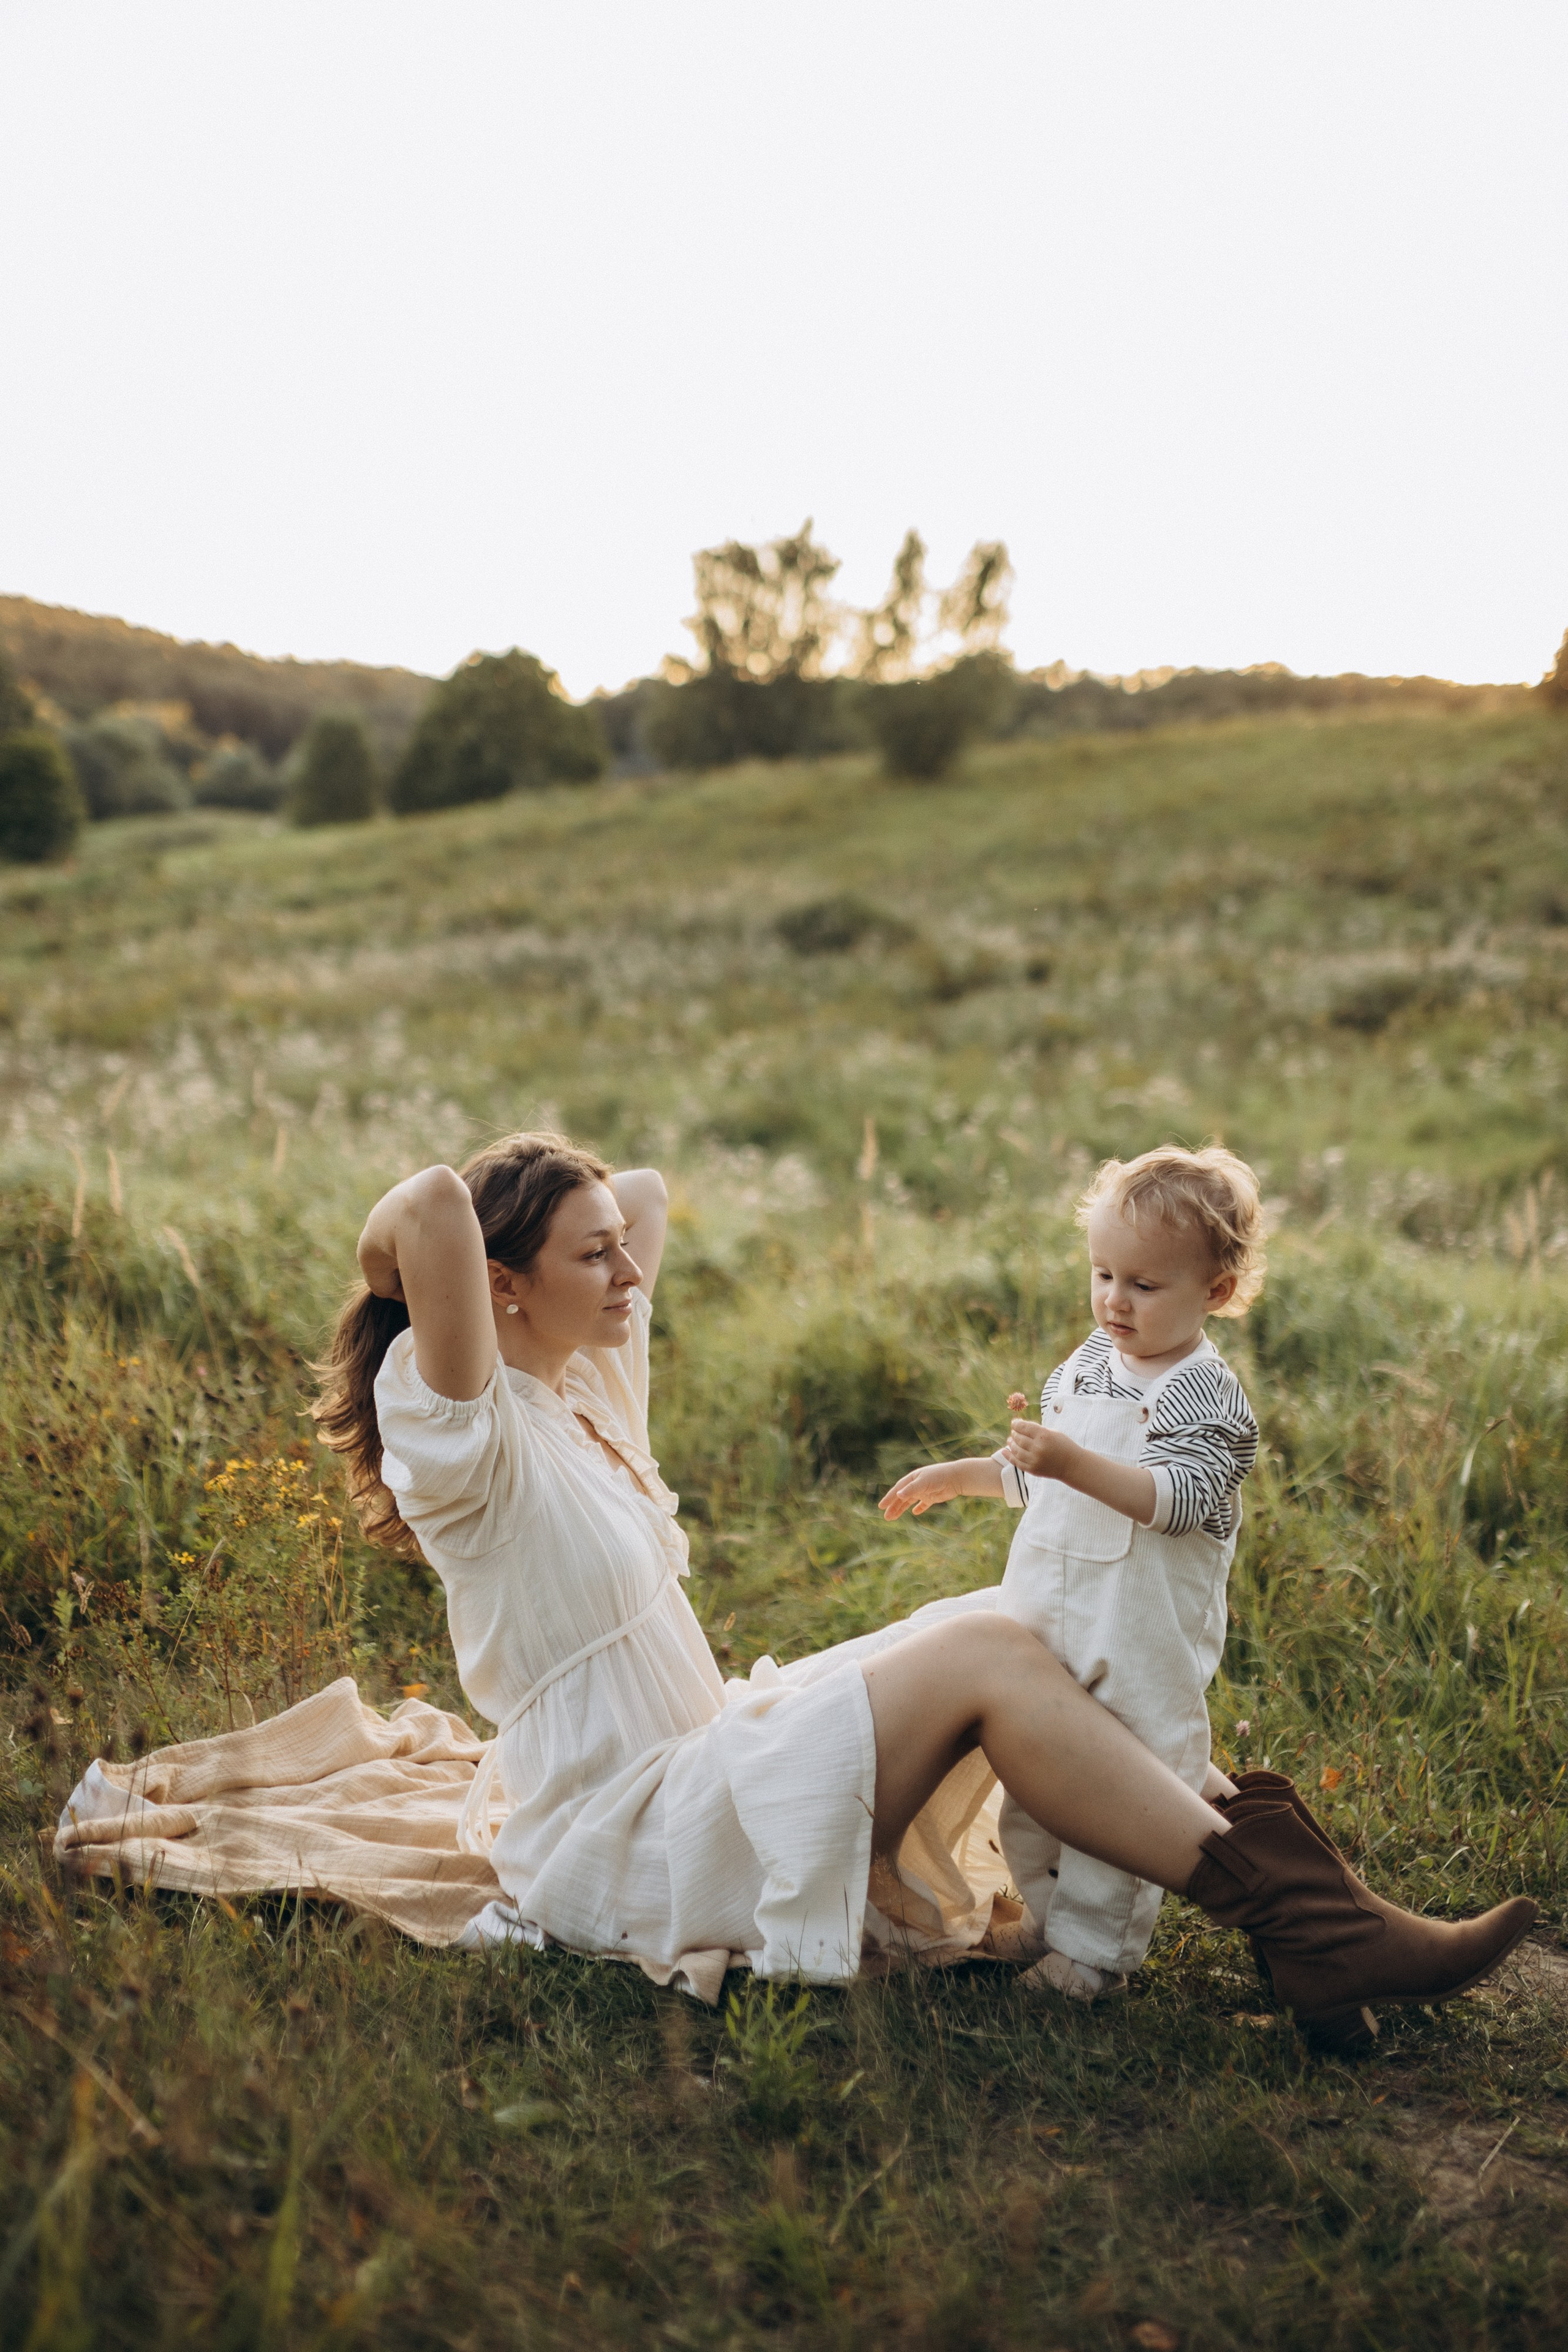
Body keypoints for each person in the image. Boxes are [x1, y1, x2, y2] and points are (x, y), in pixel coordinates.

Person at [306, 1129, 1532, 2053]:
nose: (631, 1269)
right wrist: (485, 1225)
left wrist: (558, 1204)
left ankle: (1308, 1916)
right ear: (497, 1284)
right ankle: (1309, 1928)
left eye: (619, 1255)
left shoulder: (579, 1385)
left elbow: (644, 1195)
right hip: (627, 1831)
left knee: (999, 1624)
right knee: (988, 1657)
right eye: (592, 1257)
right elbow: (423, 1209)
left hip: (705, 1750)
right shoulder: (465, 1442)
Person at [880, 1145, 1264, 2002]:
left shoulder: (1205, 1393)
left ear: (1217, 1292)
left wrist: (1068, 1463)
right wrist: (964, 1475)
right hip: (1051, 1613)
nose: (1114, 1300)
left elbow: (1177, 1499)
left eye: (1144, 1285)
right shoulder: (1091, 1361)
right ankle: (1048, 1920)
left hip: (1140, 1630)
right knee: (1039, 1788)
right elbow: (1033, 1473)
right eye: (1102, 1274)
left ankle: (1098, 1953)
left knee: (1122, 1792)